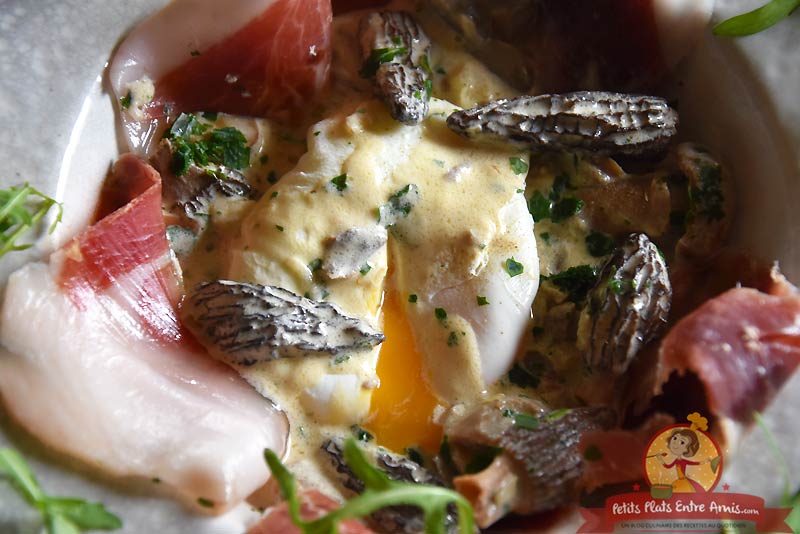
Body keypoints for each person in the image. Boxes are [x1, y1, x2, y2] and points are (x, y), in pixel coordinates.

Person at [657, 428, 710, 493]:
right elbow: (668, 466)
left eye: (682, 442)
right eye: (675, 438)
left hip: (684, 481)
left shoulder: (683, 461)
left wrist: (705, 461)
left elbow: (695, 463)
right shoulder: (676, 461)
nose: (675, 443)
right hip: (679, 481)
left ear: (687, 450)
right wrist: (660, 460)